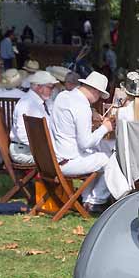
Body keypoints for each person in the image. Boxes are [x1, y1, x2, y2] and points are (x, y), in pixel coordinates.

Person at [50, 71, 114, 212]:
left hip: (54, 158)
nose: (98, 99)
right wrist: (105, 128)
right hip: (66, 162)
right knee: (110, 160)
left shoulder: (64, 95)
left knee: (99, 151)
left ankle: (86, 197)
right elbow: (85, 143)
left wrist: (92, 117)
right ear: (96, 91)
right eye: (99, 95)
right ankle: (96, 201)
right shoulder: (81, 106)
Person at [9, 70, 58, 164]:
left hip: (34, 149)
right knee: (61, 158)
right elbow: (22, 135)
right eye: (51, 87)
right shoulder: (26, 104)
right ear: (39, 87)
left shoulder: (44, 101)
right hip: (24, 151)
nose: (53, 91)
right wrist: (46, 148)